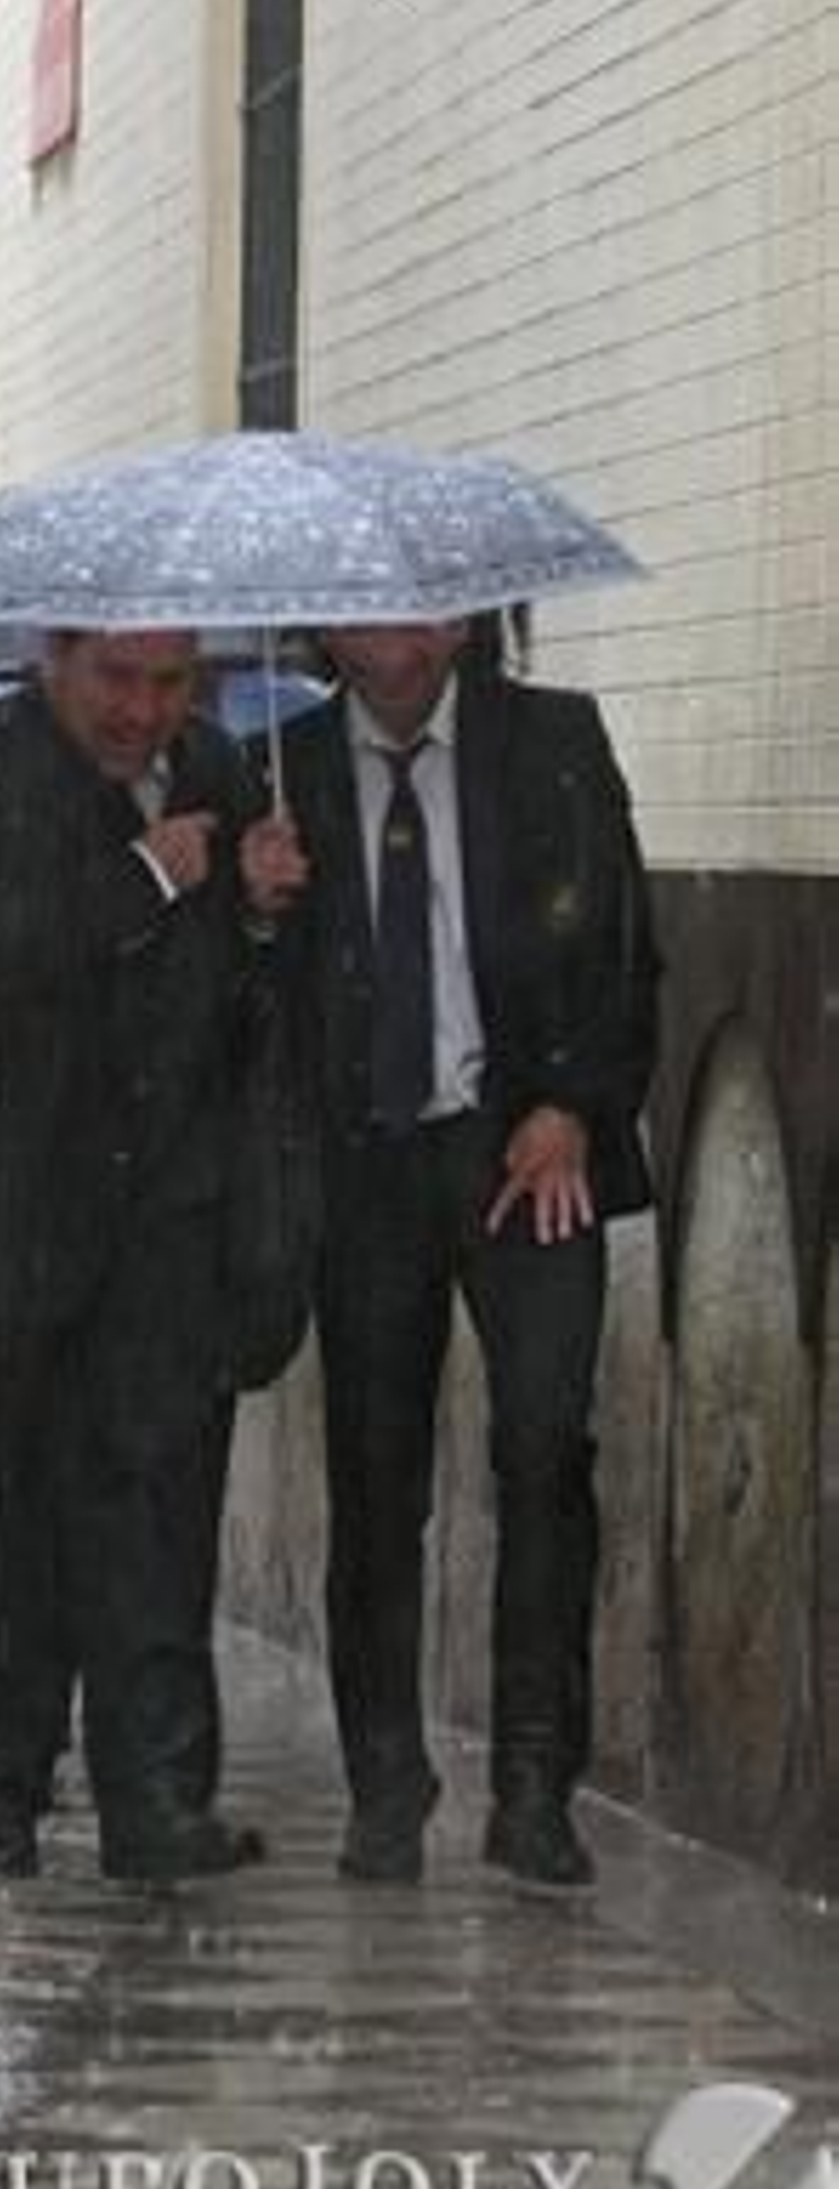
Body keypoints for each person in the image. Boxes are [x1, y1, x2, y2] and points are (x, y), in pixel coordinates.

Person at [0, 629, 304, 1882]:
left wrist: (260, 918)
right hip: (4, 1217)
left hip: (165, 1222)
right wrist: (142, 881)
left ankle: (158, 1804)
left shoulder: (220, 766)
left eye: (167, 685)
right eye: (117, 681)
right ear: (55, 660)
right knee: (7, 1514)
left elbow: (240, 1008)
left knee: (158, 1510)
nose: (142, 714)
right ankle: (0, 1796)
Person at [266, 609, 659, 1890]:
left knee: (546, 1450)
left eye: (431, 611)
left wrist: (571, 1106)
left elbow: (621, 952)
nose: (404, 640)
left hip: (523, 1153)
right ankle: (386, 1782)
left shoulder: (551, 743)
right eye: (374, 616)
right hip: (365, 1163)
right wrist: (252, 908)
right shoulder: (279, 767)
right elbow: (231, 1010)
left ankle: (537, 1786)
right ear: (329, 632)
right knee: (376, 1481)